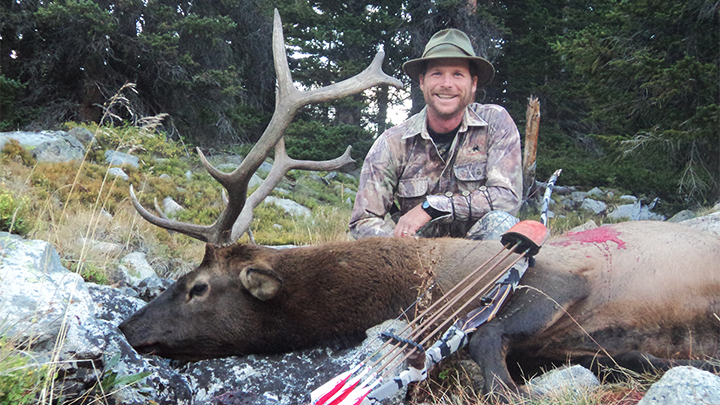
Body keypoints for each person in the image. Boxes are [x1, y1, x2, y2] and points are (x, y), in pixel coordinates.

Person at [350, 28, 523, 241]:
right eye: (437, 73)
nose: (447, 84)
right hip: (416, 261)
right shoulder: (392, 143)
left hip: (479, 258)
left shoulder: (495, 123)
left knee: (502, 224)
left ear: (473, 84)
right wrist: (402, 247)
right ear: (422, 82)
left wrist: (433, 207)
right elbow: (363, 222)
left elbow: (508, 199)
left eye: (458, 74)